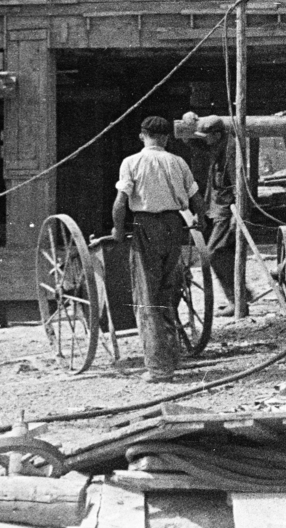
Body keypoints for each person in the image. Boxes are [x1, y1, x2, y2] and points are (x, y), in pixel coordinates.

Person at [110, 116, 201, 383]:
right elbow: (197, 199)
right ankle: (172, 357)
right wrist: (200, 221)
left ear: (142, 136)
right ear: (167, 138)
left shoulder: (132, 162)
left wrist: (117, 230)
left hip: (146, 226)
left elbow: (120, 202)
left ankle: (159, 369)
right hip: (175, 226)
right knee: (169, 292)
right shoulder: (178, 162)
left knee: (147, 298)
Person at [194, 115, 250, 316]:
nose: (204, 140)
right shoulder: (218, 145)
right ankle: (240, 296)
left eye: (206, 136)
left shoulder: (231, 149)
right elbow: (194, 144)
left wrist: (238, 213)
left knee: (214, 254)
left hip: (228, 210)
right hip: (217, 208)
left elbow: (239, 183)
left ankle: (237, 300)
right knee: (222, 255)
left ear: (216, 134)